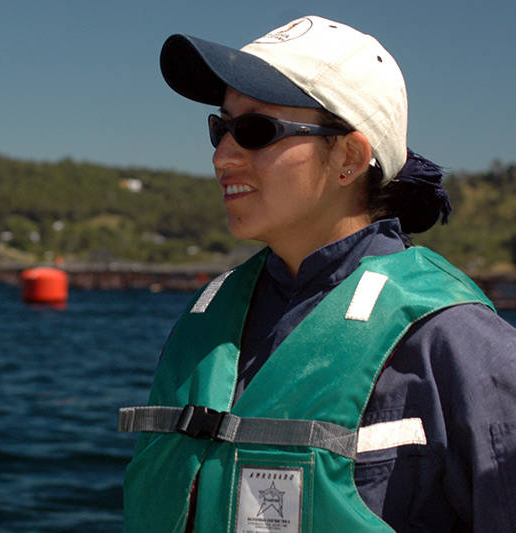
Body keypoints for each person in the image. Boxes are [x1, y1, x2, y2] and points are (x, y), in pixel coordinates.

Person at [118, 15, 516, 532]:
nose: (221, 156)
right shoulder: (212, 320)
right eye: (221, 127)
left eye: (256, 131)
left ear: (349, 157)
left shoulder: (457, 345)